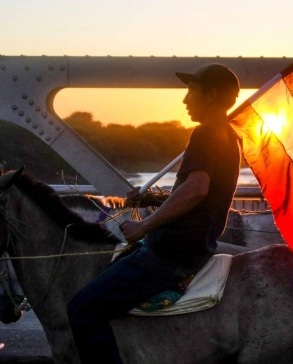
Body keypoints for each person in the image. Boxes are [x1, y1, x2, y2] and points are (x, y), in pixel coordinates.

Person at [67, 63, 241, 364]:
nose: (186, 100)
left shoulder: (205, 133)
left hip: (170, 253)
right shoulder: (226, 135)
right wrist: (148, 198)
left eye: (191, 90)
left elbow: (197, 189)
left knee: (82, 309)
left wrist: (143, 227)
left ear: (210, 94)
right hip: (191, 248)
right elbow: (198, 197)